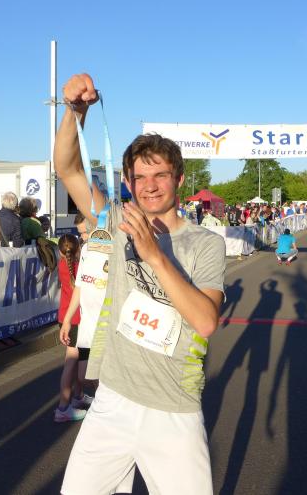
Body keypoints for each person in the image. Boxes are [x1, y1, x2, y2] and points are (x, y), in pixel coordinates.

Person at [55, 72, 225, 495]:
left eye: (160, 176)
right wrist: (74, 112)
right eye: (139, 178)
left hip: (173, 411)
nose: (149, 187)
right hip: (112, 401)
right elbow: (67, 169)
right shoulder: (117, 219)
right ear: (127, 182)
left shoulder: (205, 243)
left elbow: (206, 321)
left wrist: (154, 255)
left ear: (179, 179)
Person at [54, 233, 91, 422]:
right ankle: (62, 408)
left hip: (65, 317)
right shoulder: (80, 267)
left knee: (74, 362)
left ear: (61, 252)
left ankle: (78, 396)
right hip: (76, 319)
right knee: (71, 363)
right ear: (78, 249)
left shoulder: (63, 264)